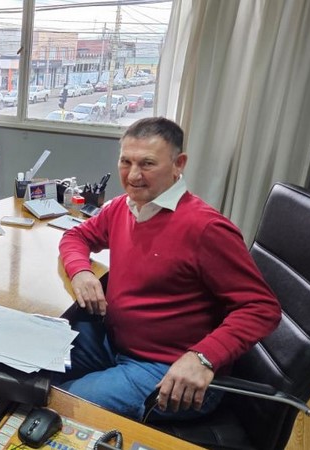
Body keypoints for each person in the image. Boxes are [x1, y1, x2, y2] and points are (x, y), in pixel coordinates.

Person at [57, 117, 281, 422]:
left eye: (147, 164)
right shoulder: (123, 207)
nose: (133, 175)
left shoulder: (206, 229)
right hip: (114, 342)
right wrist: (81, 270)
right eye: (126, 161)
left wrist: (204, 358)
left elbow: (262, 308)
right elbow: (76, 236)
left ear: (179, 164)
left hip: (168, 369)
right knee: (26, 370)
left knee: (57, 404)